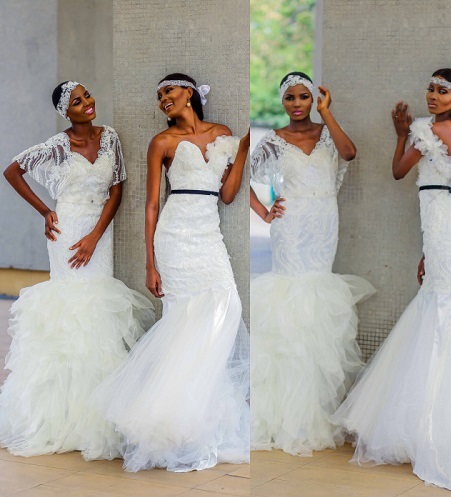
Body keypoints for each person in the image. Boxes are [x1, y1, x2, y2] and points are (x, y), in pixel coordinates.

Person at [332, 68, 451, 492]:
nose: (432, 95)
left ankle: (444, 423)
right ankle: (433, 415)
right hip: (446, 224)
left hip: (446, 224)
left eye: (443, 91)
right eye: (430, 88)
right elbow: (441, 188)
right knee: (441, 302)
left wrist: (401, 135)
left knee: (447, 306)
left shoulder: (433, 129)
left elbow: (398, 170)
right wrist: (429, 250)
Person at [93, 73, 250, 473]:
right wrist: (150, 262)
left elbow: (228, 194)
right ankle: (167, 422)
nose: (163, 98)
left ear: (190, 93)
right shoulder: (162, 142)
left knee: (227, 308)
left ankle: (192, 416)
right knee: (182, 320)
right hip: (175, 237)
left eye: (169, 91)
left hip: (208, 234)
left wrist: (244, 149)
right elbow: (151, 204)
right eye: (159, 94)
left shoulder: (223, 134)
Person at [0, 81, 155, 459]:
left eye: (86, 96)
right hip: (66, 230)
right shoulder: (57, 145)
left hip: (98, 232)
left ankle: (96, 416)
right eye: (76, 101)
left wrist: (95, 236)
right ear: (64, 112)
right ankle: (60, 416)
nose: (86, 103)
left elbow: (116, 189)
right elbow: (12, 171)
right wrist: (45, 210)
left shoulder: (109, 137)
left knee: (98, 309)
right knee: (70, 312)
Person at [250, 71, 375, 456]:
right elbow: (242, 178)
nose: (296, 103)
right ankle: (284, 413)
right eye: (290, 97)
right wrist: (264, 211)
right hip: (290, 226)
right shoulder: (273, 141)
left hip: (323, 223)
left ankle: (315, 408)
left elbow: (350, 153)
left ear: (314, 99)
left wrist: (327, 113)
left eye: (303, 96)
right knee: (291, 301)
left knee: (317, 300)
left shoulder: (327, 134)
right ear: (283, 102)